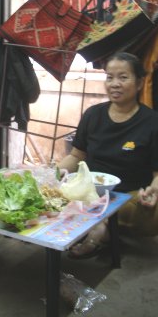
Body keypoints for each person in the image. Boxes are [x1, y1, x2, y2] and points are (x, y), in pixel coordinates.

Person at [58, 51, 158, 258]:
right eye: (110, 77)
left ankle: (100, 228)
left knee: (153, 212)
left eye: (123, 77)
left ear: (139, 83)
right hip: (89, 191)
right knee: (54, 195)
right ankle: (102, 226)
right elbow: (76, 156)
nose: (114, 84)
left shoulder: (152, 122)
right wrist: (53, 173)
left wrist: (152, 191)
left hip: (128, 196)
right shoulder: (93, 115)